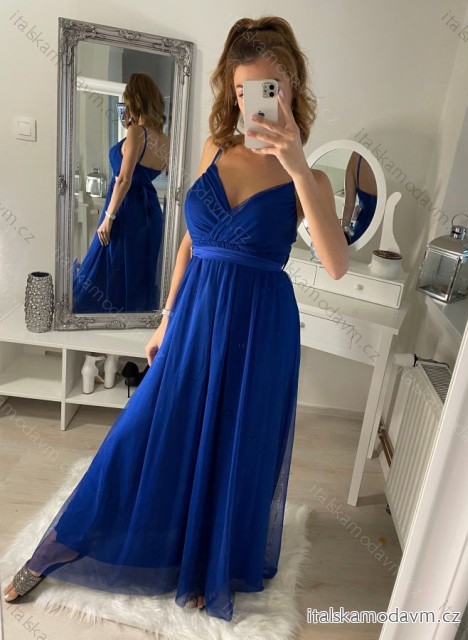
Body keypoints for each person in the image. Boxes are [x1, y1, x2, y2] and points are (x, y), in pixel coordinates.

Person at [3, 17, 348, 621]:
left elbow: (337, 264)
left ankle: (213, 563)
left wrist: (296, 164)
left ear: (290, 87)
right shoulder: (215, 148)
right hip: (194, 316)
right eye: (239, 90)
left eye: (265, 88)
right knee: (145, 426)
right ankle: (66, 542)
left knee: (237, 441)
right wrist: (165, 318)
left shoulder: (309, 177)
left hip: (259, 326)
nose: (250, 102)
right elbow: (190, 241)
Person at [72, 72, 169, 313]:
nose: (125, 105)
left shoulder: (137, 132)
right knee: (137, 269)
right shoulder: (166, 140)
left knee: (108, 264)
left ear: (135, 99)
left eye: (127, 100)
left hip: (124, 208)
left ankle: (96, 320)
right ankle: (129, 323)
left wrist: (109, 217)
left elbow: (124, 179)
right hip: (150, 212)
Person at [342, 151, 377, 245]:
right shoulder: (390, 159)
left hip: (361, 232)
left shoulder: (356, 156)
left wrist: (343, 237)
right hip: (383, 230)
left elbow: (348, 205)